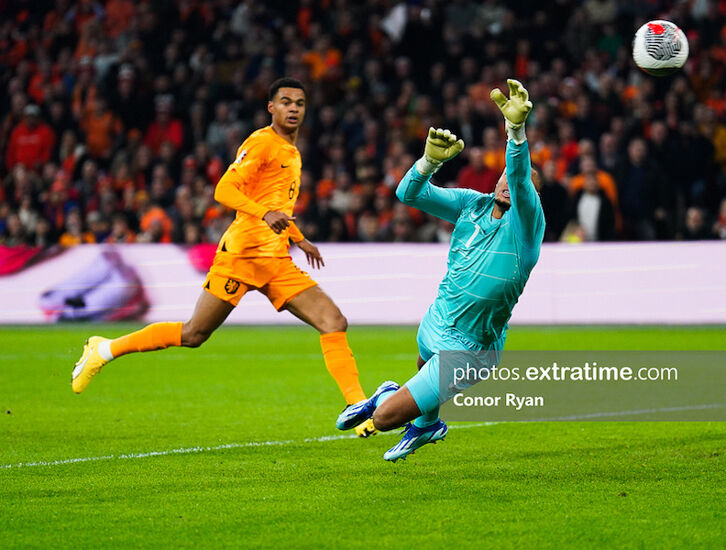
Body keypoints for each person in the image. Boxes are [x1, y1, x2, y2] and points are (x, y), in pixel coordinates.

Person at [72, 78, 376, 437]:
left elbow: (278, 206)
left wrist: (299, 238)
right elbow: (224, 189)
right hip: (241, 256)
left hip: (276, 260)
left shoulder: (293, 152)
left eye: (299, 103)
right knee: (194, 333)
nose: (293, 108)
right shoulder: (262, 142)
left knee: (333, 321)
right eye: (285, 102)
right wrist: (264, 215)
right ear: (271, 108)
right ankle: (104, 349)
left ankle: (357, 408)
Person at [336, 80, 545, 461]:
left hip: (471, 349)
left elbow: (519, 174)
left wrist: (515, 133)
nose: (510, 184)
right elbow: (409, 194)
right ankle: (428, 425)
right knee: (422, 364)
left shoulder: (526, 229)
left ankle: (383, 397)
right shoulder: (471, 204)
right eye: (506, 177)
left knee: (383, 419)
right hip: (436, 320)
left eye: (523, 185)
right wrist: (428, 163)